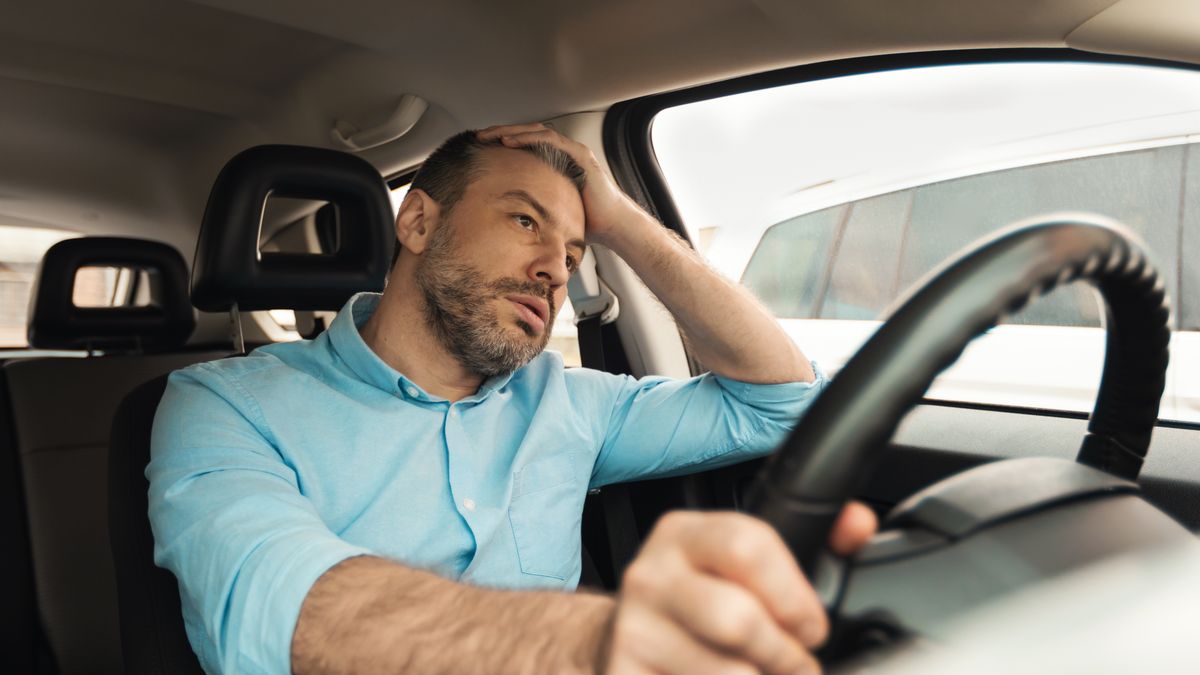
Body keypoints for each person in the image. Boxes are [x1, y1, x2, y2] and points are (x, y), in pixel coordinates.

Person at [148, 123, 877, 675]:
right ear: (419, 223)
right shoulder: (220, 405)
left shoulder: (572, 404)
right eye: (525, 221)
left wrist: (619, 219)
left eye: (572, 255)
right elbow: (277, 599)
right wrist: (596, 642)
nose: (552, 270)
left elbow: (781, 402)